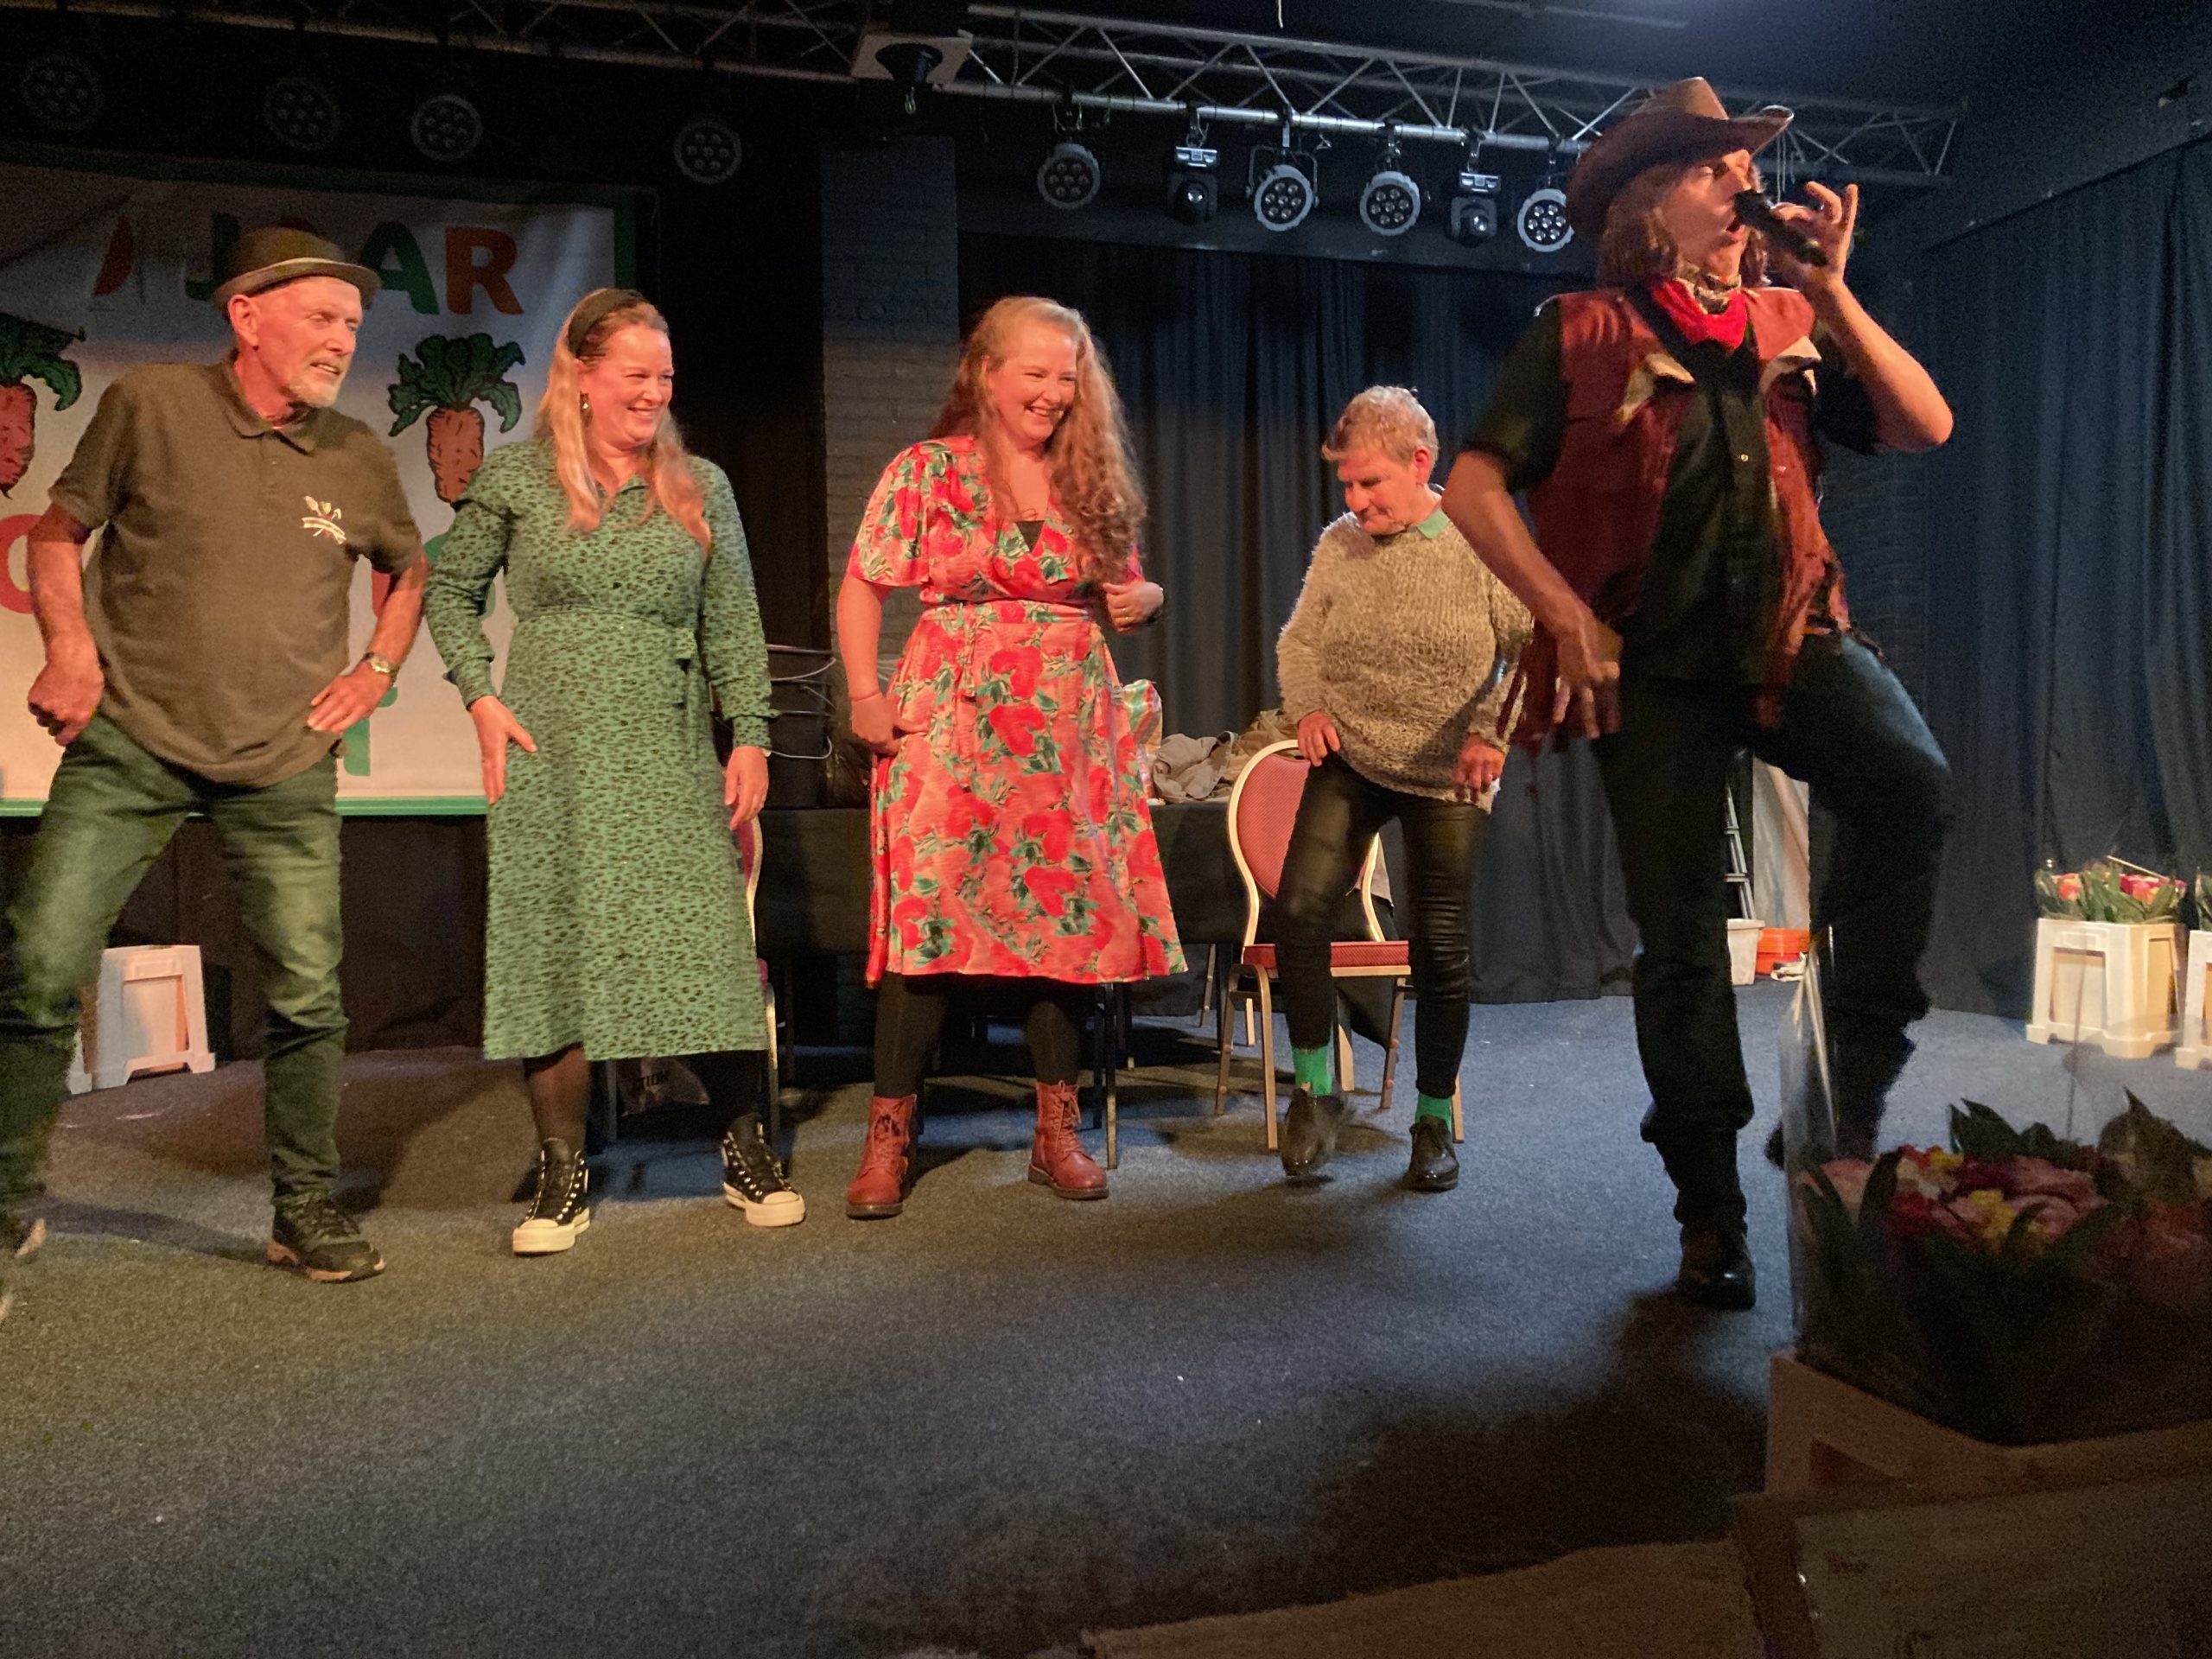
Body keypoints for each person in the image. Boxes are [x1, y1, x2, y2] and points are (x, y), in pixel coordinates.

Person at [1442, 79, 1955, 1309]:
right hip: (1652, 667)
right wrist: (1563, 614)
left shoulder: (1792, 314)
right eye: (1713, 170)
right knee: (1679, 939)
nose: (1743, 187)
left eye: (1743, 169)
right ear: (1647, 202)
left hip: (1789, 637)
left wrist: (1834, 293)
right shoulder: (1577, 329)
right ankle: (1708, 1210)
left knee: (1910, 784)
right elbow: (1471, 486)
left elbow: (1926, 425)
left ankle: (1846, 1088)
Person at [0, 226, 428, 1293]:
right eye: (322, 317)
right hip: (131, 742)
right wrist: (70, 649)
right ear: (247, 315)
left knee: (308, 994)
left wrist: (377, 669)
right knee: (41, 965)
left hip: (283, 759)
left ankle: (304, 1207)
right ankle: (5, 1199)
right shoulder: (153, 404)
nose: (343, 339)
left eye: (353, 324)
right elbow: (55, 534)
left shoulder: (357, 455)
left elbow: (409, 570)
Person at [423, 289, 791, 1255]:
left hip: (668, 744)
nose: (653, 393)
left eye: (664, 377)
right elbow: (450, 593)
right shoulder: (518, 478)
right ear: (582, 376)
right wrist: (480, 696)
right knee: (555, 948)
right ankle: (563, 1169)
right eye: (635, 374)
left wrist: (750, 734)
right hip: (553, 746)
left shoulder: (699, 485)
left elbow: (732, 620)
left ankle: (745, 1145)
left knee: (702, 945)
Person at [835, 296, 1184, 1219]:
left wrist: (1145, 598)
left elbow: (1125, 592)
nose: (1054, 392)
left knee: (1060, 925)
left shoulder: (1088, 478)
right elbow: (864, 584)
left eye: (1068, 377)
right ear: (987, 373)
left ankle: (1056, 1133)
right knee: (926, 925)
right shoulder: (927, 470)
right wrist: (866, 697)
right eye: (1036, 373)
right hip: (949, 717)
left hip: (1064, 726)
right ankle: (888, 1140)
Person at [1271, 387, 1532, 1192]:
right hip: (1352, 754)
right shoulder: (1340, 544)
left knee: (1440, 946)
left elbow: (1530, 648)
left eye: (1370, 483)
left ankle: (1432, 1119)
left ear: (1421, 464)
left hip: (1449, 770)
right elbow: (1299, 641)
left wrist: (1491, 731)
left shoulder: (1478, 539)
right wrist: (1309, 708)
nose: (1356, 501)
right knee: (1300, 908)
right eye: (1347, 486)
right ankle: (1316, 1090)